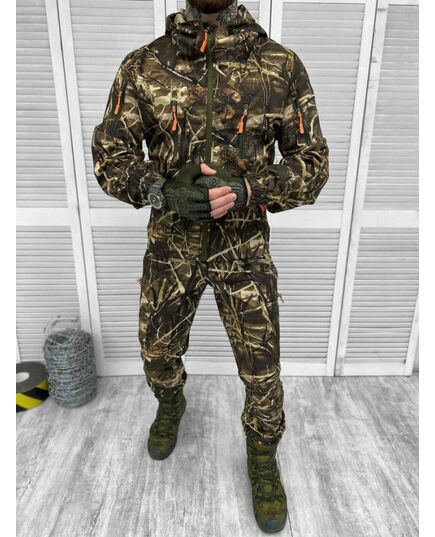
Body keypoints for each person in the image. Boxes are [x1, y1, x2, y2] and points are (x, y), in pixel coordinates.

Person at [91, 0, 329, 532]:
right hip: (170, 246)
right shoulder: (144, 65)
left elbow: (312, 164)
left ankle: (263, 456)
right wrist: (161, 190)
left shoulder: (279, 65)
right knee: (156, 352)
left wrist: (248, 189)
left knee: (262, 372)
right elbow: (110, 153)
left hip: (244, 249)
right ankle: (171, 402)